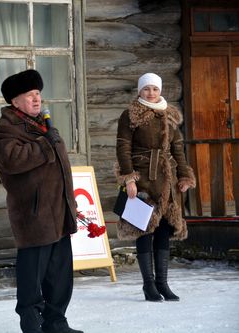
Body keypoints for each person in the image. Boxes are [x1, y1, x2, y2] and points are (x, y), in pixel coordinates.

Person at [0, 69, 83, 333]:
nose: (36, 99)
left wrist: (71, 204)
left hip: (59, 211)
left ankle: (56, 321)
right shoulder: (4, 130)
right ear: (14, 101)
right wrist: (44, 145)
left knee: (60, 274)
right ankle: (32, 324)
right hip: (33, 215)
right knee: (33, 277)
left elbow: (61, 167)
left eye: (38, 93)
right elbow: (13, 160)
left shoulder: (44, 124)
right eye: (29, 95)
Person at [115, 73, 196, 302]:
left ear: (160, 91)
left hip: (167, 181)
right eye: (147, 89)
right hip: (143, 178)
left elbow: (178, 149)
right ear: (139, 91)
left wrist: (184, 176)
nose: (151, 93)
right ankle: (148, 285)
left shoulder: (169, 115)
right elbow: (123, 147)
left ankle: (163, 283)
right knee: (144, 228)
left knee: (163, 228)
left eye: (155, 89)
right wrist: (129, 179)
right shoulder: (130, 114)